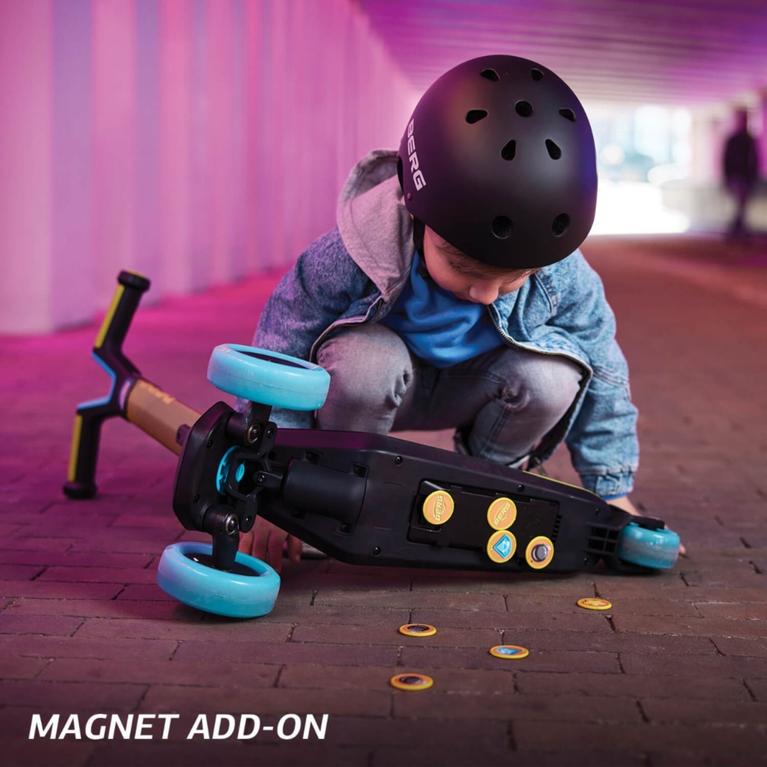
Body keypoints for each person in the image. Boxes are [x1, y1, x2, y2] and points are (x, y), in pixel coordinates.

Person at [239, 54, 647, 571]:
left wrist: (612, 490)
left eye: (512, 279)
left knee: (554, 377)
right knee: (368, 363)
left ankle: (496, 486)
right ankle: (333, 484)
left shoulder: (563, 271)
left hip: (476, 388)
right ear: (415, 206)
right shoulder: (353, 247)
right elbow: (280, 346)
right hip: (376, 387)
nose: (485, 293)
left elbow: (604, 366)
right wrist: (273, 481)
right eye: (463, 267)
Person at [722, 108, 760, 240]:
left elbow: (755, 159)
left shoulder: (750, 139)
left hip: (746, 177)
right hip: (737, 177)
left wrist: (754, 176)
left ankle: (736, 229)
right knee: (740, 204)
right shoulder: (733, 140)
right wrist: (727, 178)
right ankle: (737, 229)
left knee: (741, 205)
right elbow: (726, 160)